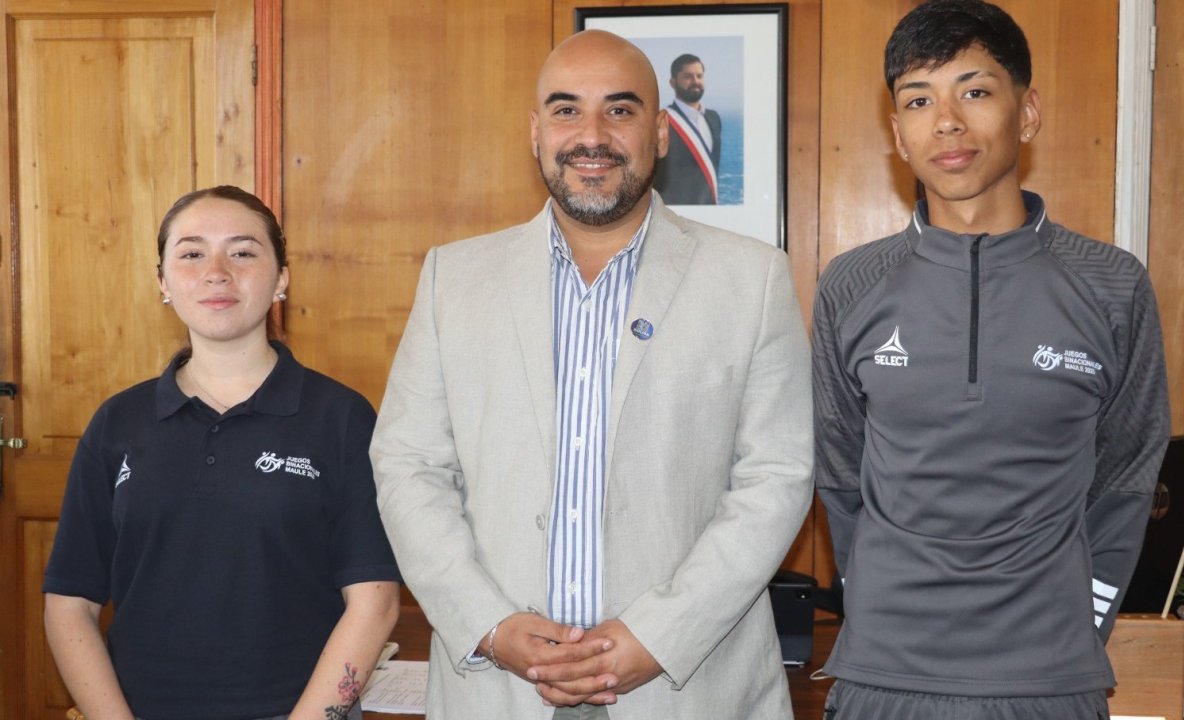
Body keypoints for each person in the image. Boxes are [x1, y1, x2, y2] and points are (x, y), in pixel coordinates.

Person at [370, 29, 811, 720]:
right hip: (500, 688)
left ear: (660, 134)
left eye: (620, 109)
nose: (592, 135)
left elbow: (776, 476)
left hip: (688, 687)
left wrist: (659, 635)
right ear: (536, 131)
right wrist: (488, 624)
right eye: (567, 109)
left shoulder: (751, 279)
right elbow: (408, 465)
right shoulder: (453, 279)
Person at [812, 1, 1171, 718]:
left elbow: (1127, 478)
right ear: (898, 134)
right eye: (919, 100)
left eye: (974, 91)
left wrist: (1080, 624)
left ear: (1026, 112)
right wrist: (876, 608)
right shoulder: (850, 284)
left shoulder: (1112, 285)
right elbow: (841, 476)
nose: (946, 121)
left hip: (1049, 683)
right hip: (883, 681)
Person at [43, 186, 401, 720]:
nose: (217, 272)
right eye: (191, 253)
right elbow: (70, 602)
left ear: (281, 277)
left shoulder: (341, 417)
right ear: (163, 282)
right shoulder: (117, 422)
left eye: (242, 251)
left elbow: (375, 600)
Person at [652, 53, 723, 205]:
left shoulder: (714, 118)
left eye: (699, 76)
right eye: (688, 77)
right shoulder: (662, 120)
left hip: (710, 211)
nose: (695, 81)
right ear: (673, 82)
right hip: (676, 211)